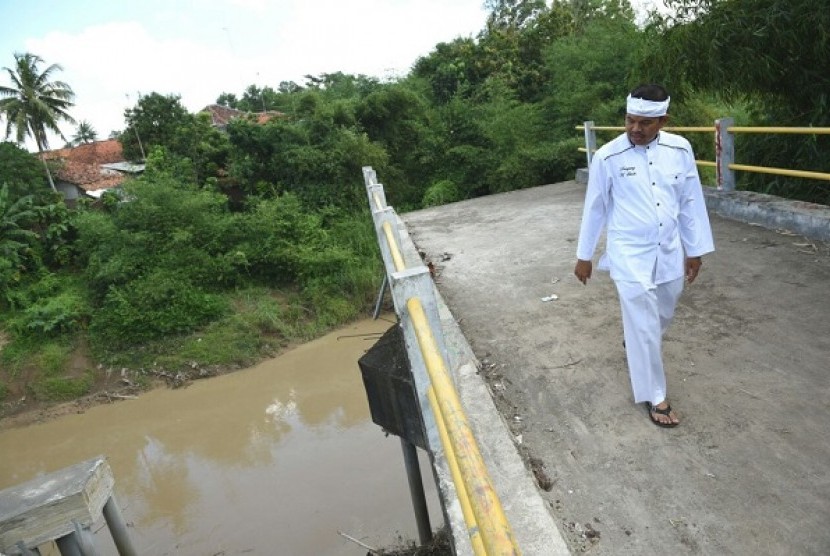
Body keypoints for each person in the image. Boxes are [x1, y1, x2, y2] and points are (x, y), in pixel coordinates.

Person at [573, 83, 714, 428]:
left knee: (662, 312)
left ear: (663, 120)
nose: (635, 129)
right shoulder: (608, 156)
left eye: (645, 123)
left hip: (668, 249)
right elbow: (595, 208)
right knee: (643, 322)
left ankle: (637, 341)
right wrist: (584, 255)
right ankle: (656, 397)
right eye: (630, 121)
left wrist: (695, 249)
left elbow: (690, 200)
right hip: (628, 253)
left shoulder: (680, 150)